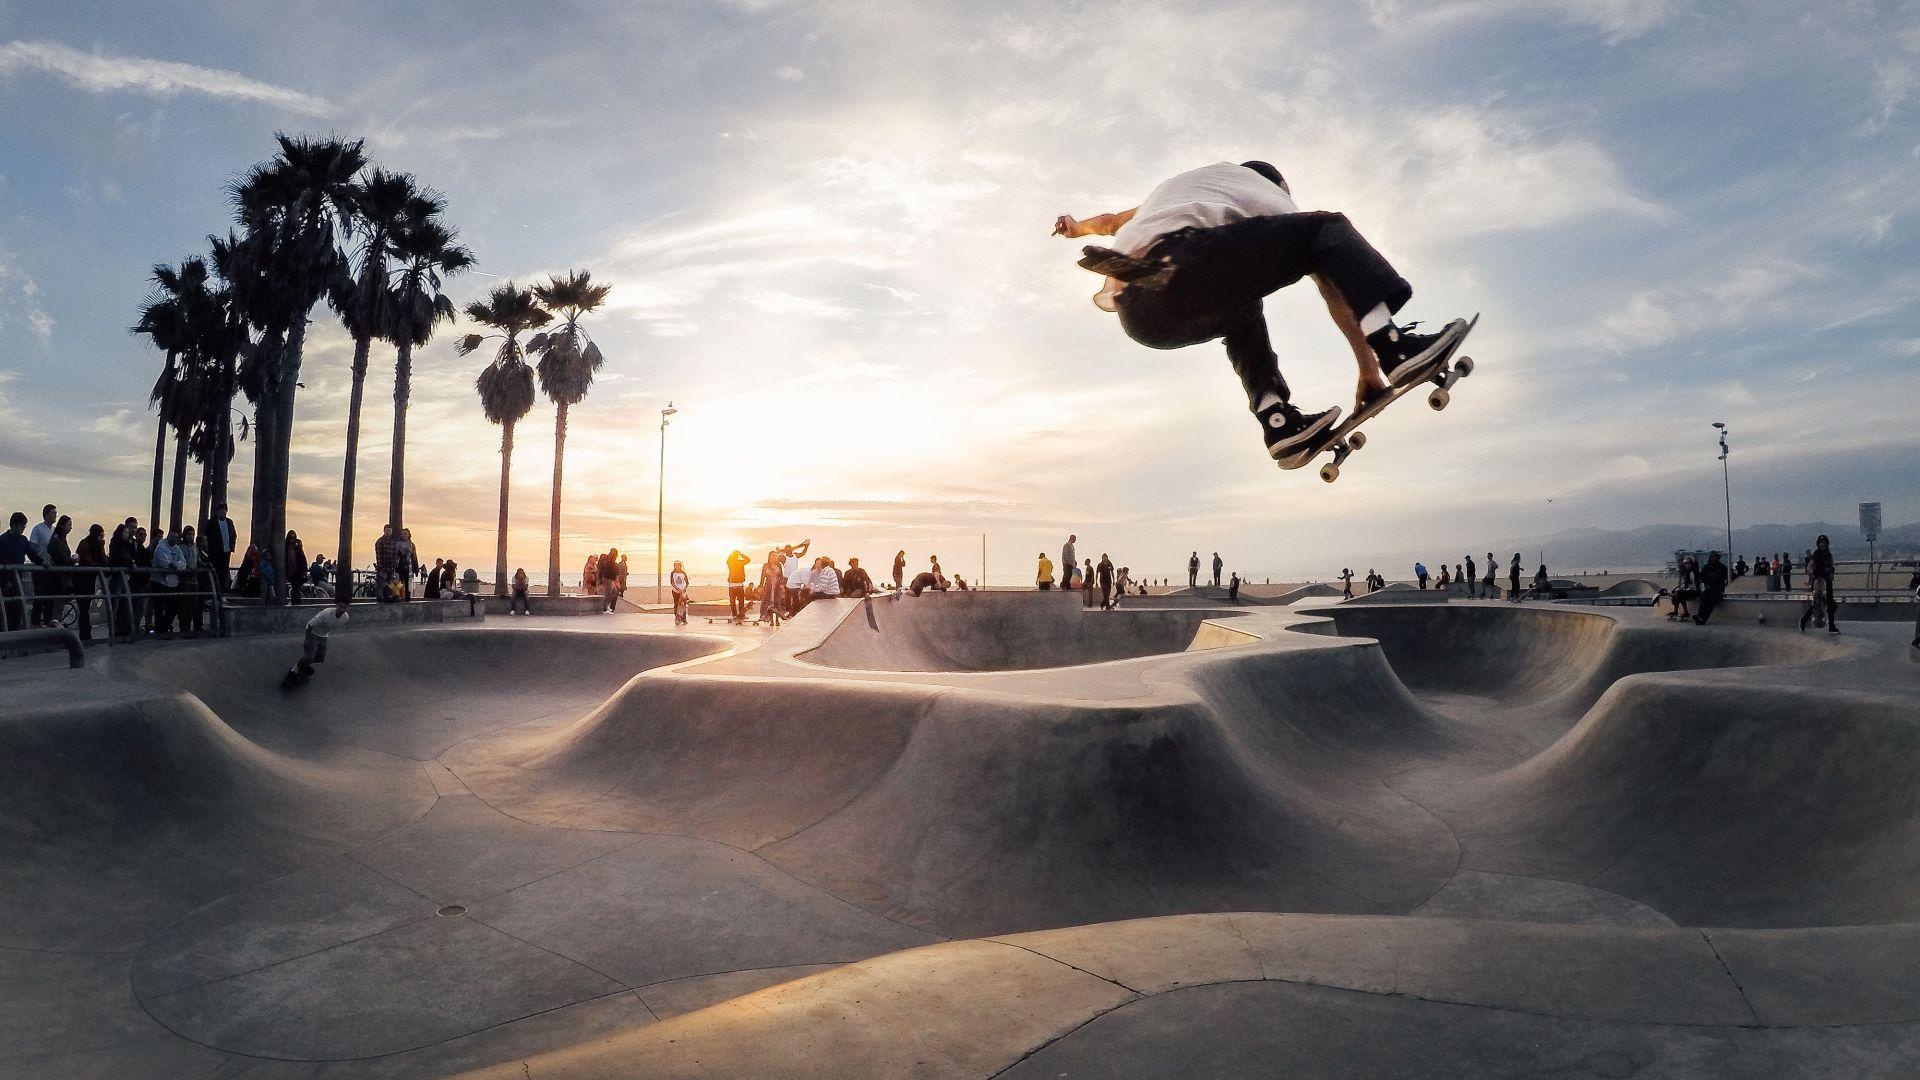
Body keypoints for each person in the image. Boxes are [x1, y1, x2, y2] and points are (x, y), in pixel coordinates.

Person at [1055, 160, 1471, 464]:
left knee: (1241, 307)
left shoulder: (1174, 192)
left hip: (1140, 313)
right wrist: (1368, 369)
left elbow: (1111, 222)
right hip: (1183, 262)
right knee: (1327, 230)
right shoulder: (1264, 191)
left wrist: (1075, 227)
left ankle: (1276, 419)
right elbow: (1330, 275)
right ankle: (1393, 345)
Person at [292, 601, 350, 683]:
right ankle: (295, 668)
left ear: (347, 608)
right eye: (340, 607)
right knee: (310, 656)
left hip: (323, 635)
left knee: (319, 658)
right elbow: (310, 625)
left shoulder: (345, 618)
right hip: (312, 632)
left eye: (344, 608)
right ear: (337, 606)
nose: (341, 610)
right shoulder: (326, 613)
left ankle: (305, 665)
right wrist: (307, 639)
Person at [0, 511, 37, 631]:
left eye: (24, 527)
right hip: (5, 582)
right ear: (14, 525)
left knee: (17, 610)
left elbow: (32, 554)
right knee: (6, 610)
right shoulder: (3, 540)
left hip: (17, 581)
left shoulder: (23, 540)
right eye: (22, 526)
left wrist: (43, 562)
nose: (23, 529)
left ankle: (13, 634)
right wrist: (4, 580)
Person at [73, 521, 106, 641]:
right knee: (84, 608)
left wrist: (101, 547)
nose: (101, 538)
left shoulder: (95, 546)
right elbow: (87, 561)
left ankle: (86, 633)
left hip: (90, 579)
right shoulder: (85, 544)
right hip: (82, 580)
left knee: (85, 608)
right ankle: (84, 634)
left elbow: (103, 561)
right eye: (100, 536)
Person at [1802, 534, 1839, 634]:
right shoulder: (1817, 554)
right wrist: (1812, 575)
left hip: (1828, 583)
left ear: (1827, 543)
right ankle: (1804, 619)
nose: (1823, 544)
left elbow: (1831, 566)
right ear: (1818, 544)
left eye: (1824, 542)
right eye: (1821, 543)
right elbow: (1809, 567)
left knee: (1832, 605)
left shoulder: (1828, 554)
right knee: (1817, 605)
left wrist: (1831, 573)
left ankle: (1831, 626)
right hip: (1819, 584)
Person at [27, 504, 57, 627]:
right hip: (40, 568)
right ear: (46, 515)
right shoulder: (37, 529)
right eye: (53, 513)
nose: (55, 515)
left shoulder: (55, 530)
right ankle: (35, 623)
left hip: (52, 569)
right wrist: (40, 560)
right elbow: (32, 548)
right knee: (39, 597)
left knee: (50, 598)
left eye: (56, 513)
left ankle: (48, 622)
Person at [178, 526, 205, 635]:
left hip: (194, 580)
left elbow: (198, 560)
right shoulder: (180, 547)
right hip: (184, 581)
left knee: (192, 606)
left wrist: (205, 564)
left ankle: (189, 628)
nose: (191, 536)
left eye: (193, 534)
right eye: (189, 534)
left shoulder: (195, 547)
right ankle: (183, 629)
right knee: (183, 606)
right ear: (185, 535)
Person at [205, 502, 238, 590]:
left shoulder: (229, 522)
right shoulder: (211, 522)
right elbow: (206, 535)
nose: (223, 513)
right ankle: (212, 593)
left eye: (224, 511)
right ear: (217, 511)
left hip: (226, 552)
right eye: (221, 511)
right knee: (214, 573)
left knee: (223, 573)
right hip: (215, 553)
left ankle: (222, 593)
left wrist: (232, 547)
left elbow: (234, 535)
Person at [1693, 551, 1729, 625]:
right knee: (1703, 597)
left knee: (1711, 600)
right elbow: (1702, 578)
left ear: (1717, 558)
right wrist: (1709, 581)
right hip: (1708, 589)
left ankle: (1702, 618)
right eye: (1712, 557)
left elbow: (1721, 580)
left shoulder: (1722, 568)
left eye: (1714, 557)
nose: (1713, 559)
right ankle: (1699, 616)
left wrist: (1711, 580)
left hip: (1718, 590)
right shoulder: (1706, 567)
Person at [725, 549, 751, 623]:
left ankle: (736, 615)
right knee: (739, 601)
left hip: (734, 584)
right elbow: (748, 559)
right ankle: (739, 615)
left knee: (735, 601)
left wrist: (732, 554)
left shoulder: (731, 562)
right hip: (736, 584)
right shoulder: (740, 562)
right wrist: (741, 554)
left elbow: (728, 560)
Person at [284, 531, 308, 604]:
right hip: (289, 570)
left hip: (297, 570)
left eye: (293, 537)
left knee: (296, 587)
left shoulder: (297, 548)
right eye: (290, 537)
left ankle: (296, 602)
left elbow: (302, 558)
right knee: (295, 587)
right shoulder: (285, 547)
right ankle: (295, 601)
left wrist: (304, 569)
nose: (292, 539)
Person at [600, 548, 620, 613]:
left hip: (609, 578)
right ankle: (604, 608)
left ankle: (606, 606)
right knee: (608, 593)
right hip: (608, 578)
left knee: (614, 591)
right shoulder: (609, 560)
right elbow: (609, 570)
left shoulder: (609, 560)